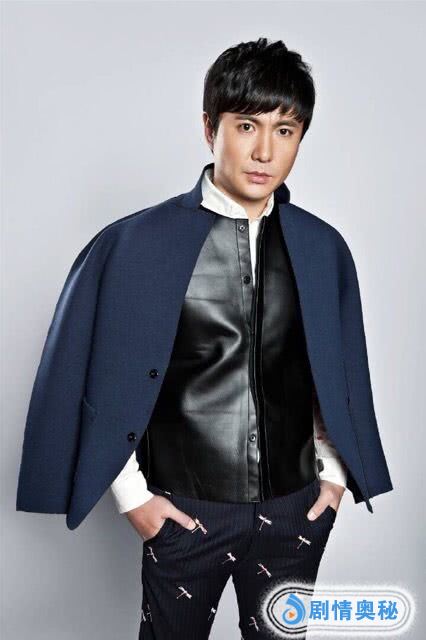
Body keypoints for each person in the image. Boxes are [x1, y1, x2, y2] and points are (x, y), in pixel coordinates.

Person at [16, 38, 393, 639]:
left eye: (285, 131)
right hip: (184, 513)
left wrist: (334, 478)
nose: (265, 151)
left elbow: (332, 372)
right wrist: (134, 500)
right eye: (246, 126)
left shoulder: (323, 248)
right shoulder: (133, 244)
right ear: (209, 128)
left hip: (296, 510)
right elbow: (98, 376)